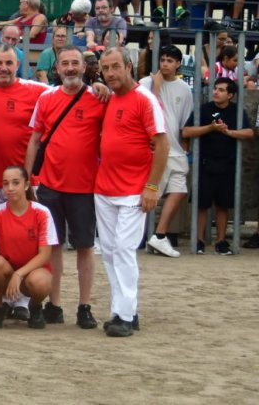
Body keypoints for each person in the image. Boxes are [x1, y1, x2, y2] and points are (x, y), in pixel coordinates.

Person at [94, 47, 168, 337]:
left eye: (115, 67)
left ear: (128, 66)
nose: (110, 73)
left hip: (133, 191)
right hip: (105, 188)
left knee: (123, 250)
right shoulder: (110, 98)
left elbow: (161, 144)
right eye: (105, 68)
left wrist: (151, 186)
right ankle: (124, 310)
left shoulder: (144, 99)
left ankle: (125, 314)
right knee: (111, 253)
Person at [0, 46, 49, 206]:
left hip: (23, 183)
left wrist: (96, 88)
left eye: (9, 63)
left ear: (17, 65)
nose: (3, 68)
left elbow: (66, 93)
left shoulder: (37, 91)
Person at [0, 166, 58, 330]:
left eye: (16, 183)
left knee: (41, 282)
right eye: (5, 184)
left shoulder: (41, 212)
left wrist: (19, 273)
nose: (10, 188)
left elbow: (45, 254)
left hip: (32, 272)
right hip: (6, 272)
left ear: (27, 185)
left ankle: (35, 307)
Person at [183, 78, 253, 255]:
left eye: (221, 90)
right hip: (205, 164)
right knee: (201, 204)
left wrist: (229, 132)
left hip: (228, 165)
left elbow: (249, 132)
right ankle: (198, 240)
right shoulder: (204, 110)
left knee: (223, 206)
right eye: (215, 89)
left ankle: (221, 242)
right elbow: (186, 131)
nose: (216, 92)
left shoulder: (237, 111)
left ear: (230, 95)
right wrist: (211, 128)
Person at [143, 45, 194, 259]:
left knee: (180, 190)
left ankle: (159, 235)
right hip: (155, 148)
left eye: (170, 60)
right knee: (149, 196)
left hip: (175, 149)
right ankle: (139, 236)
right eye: (162, 59)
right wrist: (155, 86)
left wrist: (184, 147)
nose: (165, 63)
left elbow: (184, 122)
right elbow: (145, 111)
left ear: (178, 64)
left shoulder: (184, 88)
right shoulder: (146, 83)